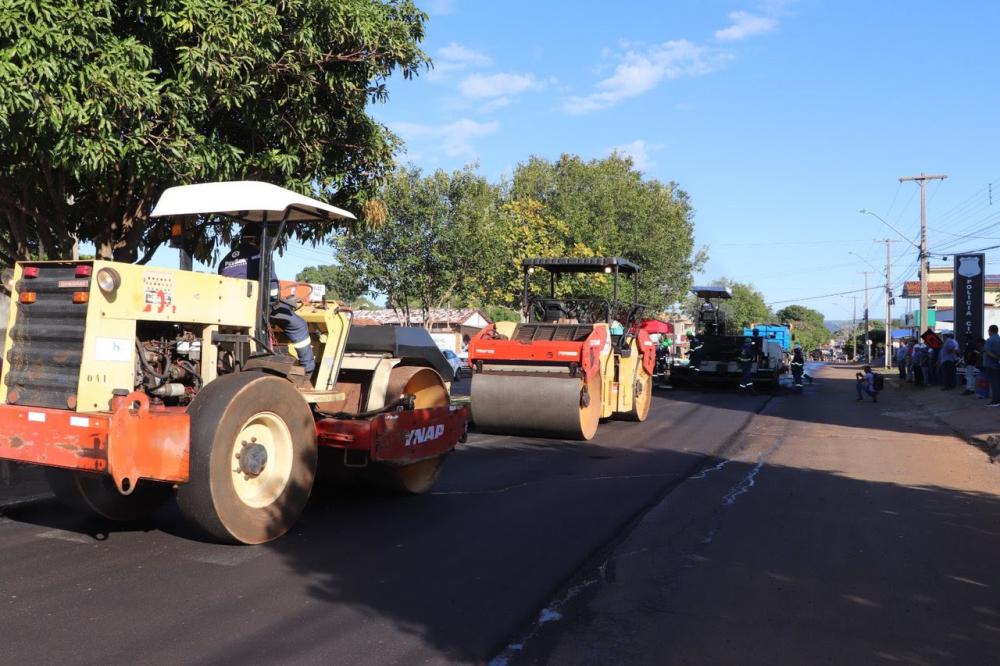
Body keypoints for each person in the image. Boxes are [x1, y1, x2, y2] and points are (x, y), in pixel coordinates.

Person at [219, 224, 315, 375]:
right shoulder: (261, 257)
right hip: (255, 309)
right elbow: (272, 293)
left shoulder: (226, 259)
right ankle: (308, 369)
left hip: (229, 310)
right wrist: (284, 302)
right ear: (259, 239)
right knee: (299, 325)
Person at [982, 324, 1000, 407]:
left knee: (994, 383)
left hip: (991, 365)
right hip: (998, 365)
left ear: (990, 331)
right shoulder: (999, 339)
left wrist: (996, 358)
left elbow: (988, 352)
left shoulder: (990, 340)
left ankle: (995, 401)